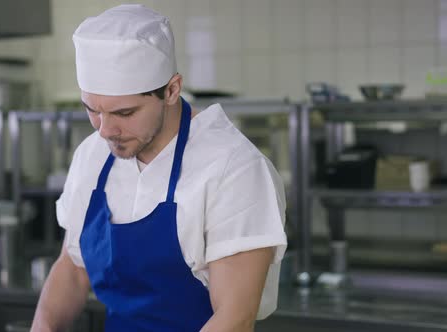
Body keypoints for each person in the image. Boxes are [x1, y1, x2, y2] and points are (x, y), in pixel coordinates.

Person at [31, 4, 287, 332]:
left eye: (124, 113)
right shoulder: (93, 153)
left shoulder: (233, 168)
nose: (105, 130)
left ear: (171, 90)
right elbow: (73, 265)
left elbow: (234, 318)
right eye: (92, 109)